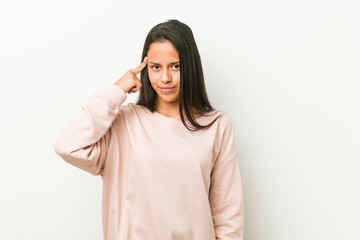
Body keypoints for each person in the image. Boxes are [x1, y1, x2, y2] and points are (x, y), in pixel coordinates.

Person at [54, 19, 244, 240]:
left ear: (191, 66)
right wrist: (117, 90)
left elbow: (228, 216)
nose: (165, 78)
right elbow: (68, 145)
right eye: (156, 67)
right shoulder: (123, 122)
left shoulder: (216, 126)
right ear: (145, 69)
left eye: (176, 66)